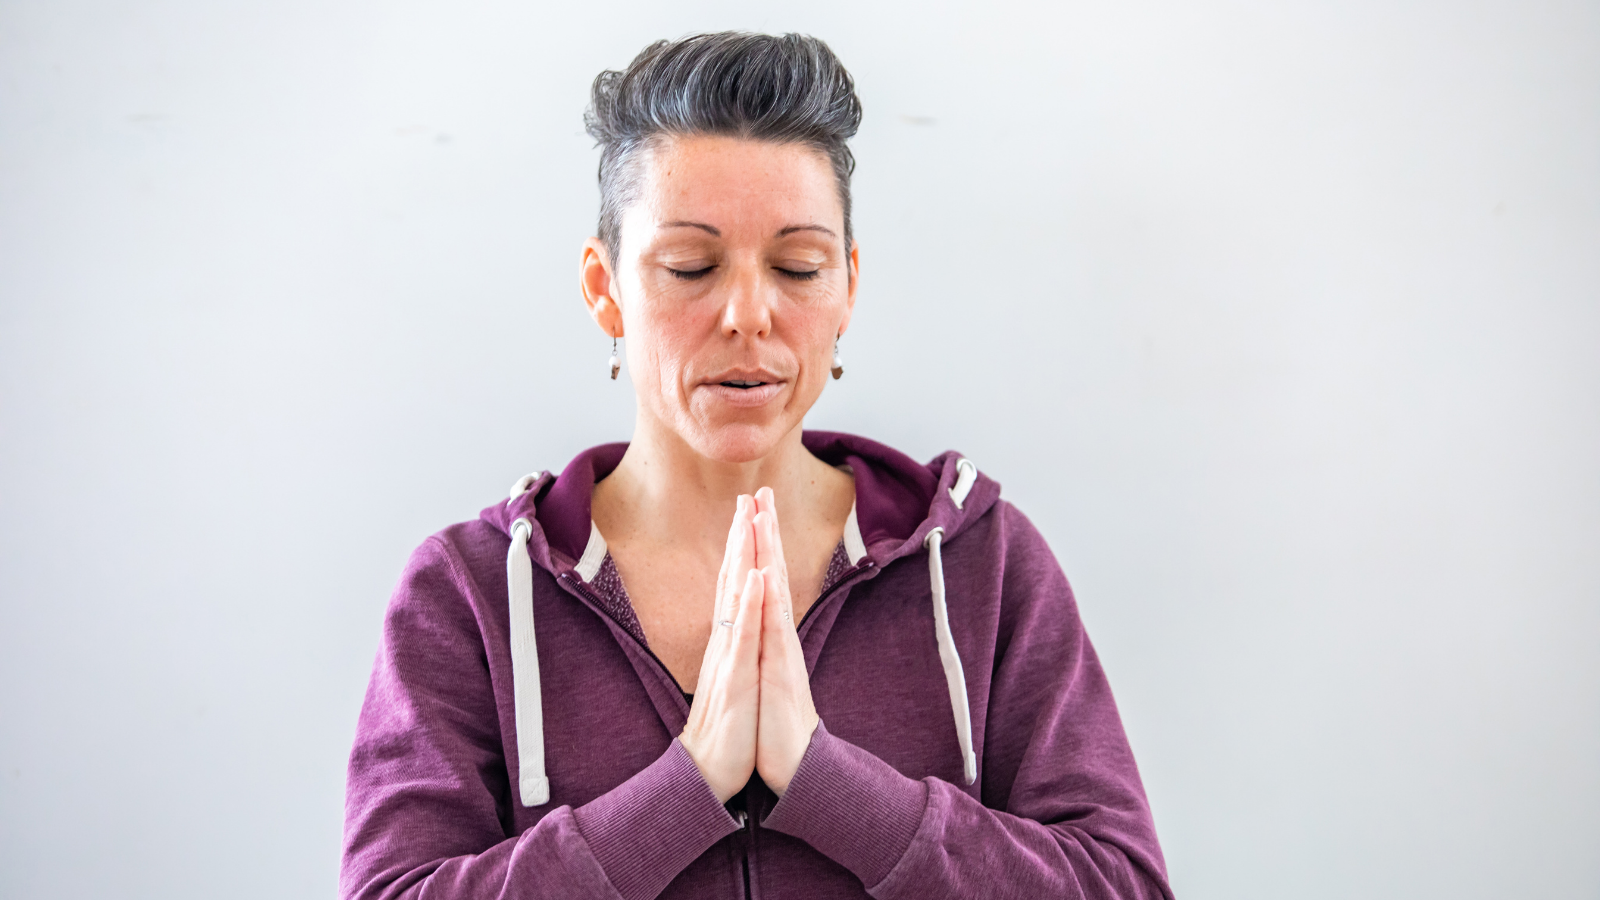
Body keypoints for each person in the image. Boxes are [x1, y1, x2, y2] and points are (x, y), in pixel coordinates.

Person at [340, 32, 1171, 900]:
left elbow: (1125, 885)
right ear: (604, 288)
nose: (747, 312)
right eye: (690, 266)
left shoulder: (981, 564)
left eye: (796, 265)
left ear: (847, 284)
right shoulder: (467, 594)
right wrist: (684, 788)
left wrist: (830, 786)